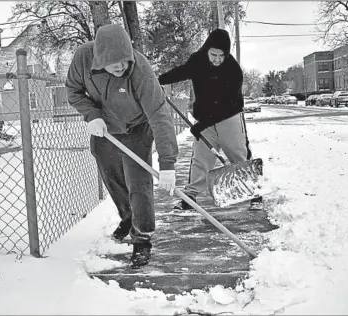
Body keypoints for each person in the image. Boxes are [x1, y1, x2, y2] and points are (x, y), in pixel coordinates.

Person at [66, 24, 179, 269]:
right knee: (113, 180)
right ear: (99, 58)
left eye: (124, 60)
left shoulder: (140, 70)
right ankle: (128, 218)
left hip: (137, 128)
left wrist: (168, 163)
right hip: (104, 128)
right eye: (114, 62)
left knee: (137, 183)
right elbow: (73, 91)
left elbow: (159, 115)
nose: (121, 66)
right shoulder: (83, 58)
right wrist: (91, 114)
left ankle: (142, 237)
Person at [159, 28, 262, 210]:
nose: (217, 59)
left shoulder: (233, 70)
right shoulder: (197, 61)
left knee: (238, 156)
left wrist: (203, 124)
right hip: (205, 118)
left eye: (221, 56)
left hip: (229, 118)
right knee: (200, 158)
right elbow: (181, 72)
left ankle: (255, 193)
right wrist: (159, 80)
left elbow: (228, 104)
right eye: (213, 54)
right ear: (207, 49)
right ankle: (190, 197)